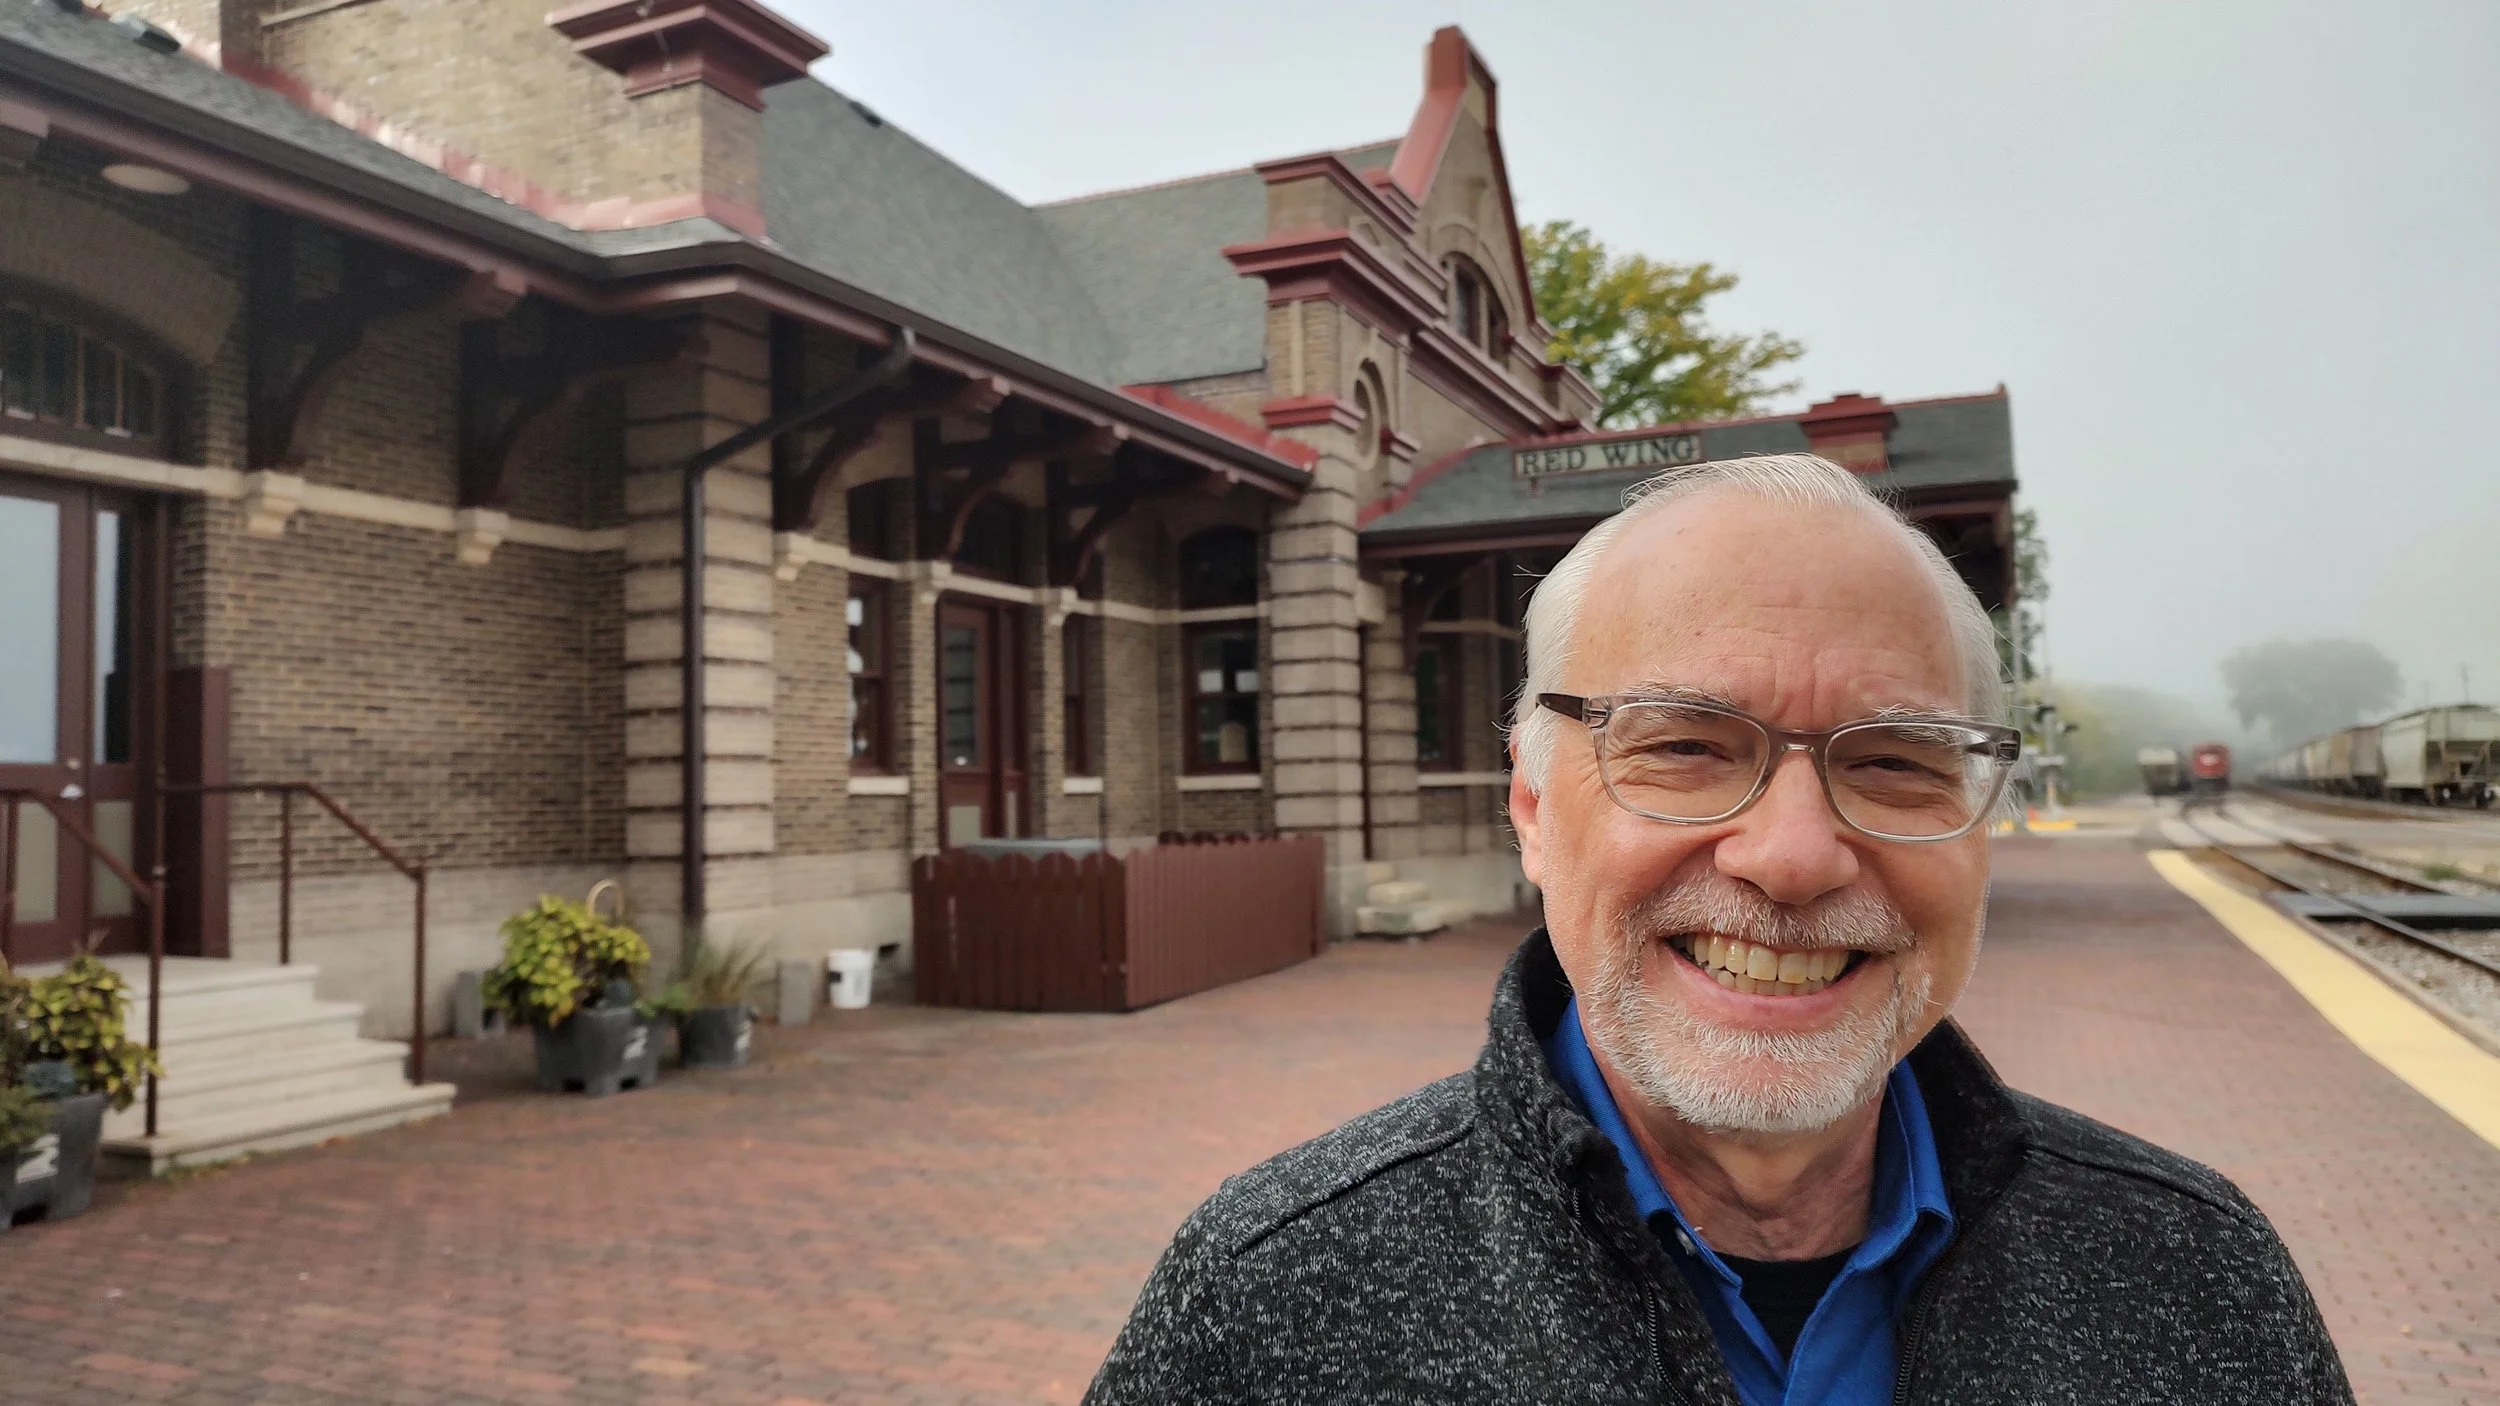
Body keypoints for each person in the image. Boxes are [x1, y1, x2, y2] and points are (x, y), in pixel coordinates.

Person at [1084, 454, 2351, 1405]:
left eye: (1899, 761)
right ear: (1532, 809)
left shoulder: (2197, 1274)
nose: (1794, 854)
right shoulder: (1271, 1302)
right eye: (1684, 746)